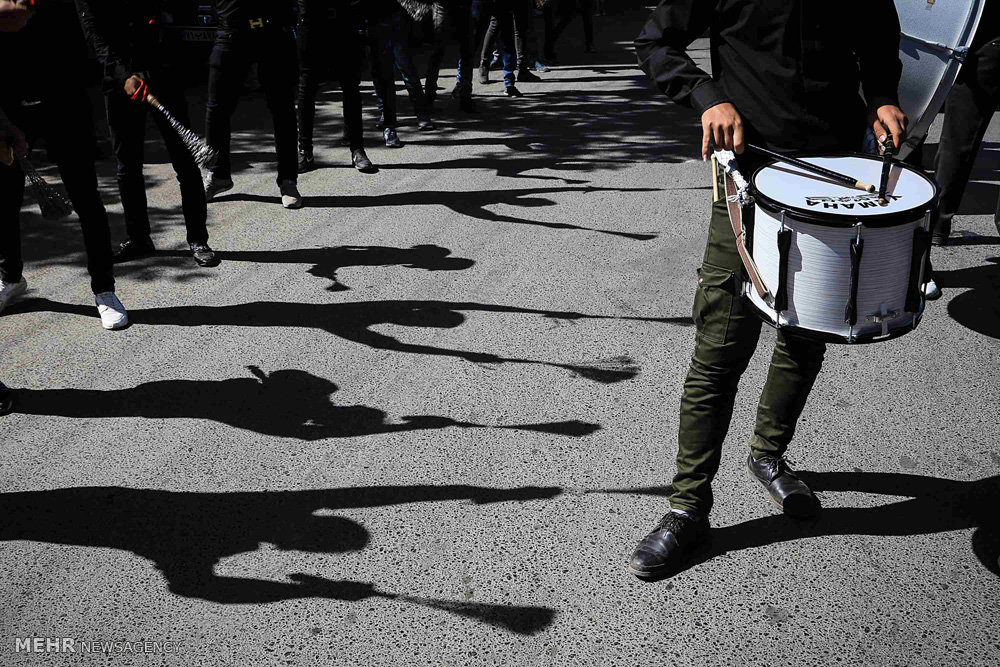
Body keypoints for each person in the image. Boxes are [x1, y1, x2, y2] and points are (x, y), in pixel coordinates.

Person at [628, 0, 908, 579]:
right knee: (720, 348)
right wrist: (708, 97)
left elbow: (880, 45)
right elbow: (655, 42)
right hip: (749, 180)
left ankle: (768, 454)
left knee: (806, 334)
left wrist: (882, 97)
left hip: (834, 178)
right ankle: (688, 508)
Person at [0, 0, 127, 330]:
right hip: (10, 103)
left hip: (65, 100)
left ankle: (105, 290)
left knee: (87, 199)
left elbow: (86, 37)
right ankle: (10, 278)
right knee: (4, 199)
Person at [75, 0, 219, 268]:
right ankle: (139, 238)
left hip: (163, 73)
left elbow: (173, 15)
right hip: (119, 83)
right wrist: (124, 76)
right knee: (127, 167)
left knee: (185, 163)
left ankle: (198, 239)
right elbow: (95, 36)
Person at [920, 4, 999, 300]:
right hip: (982, 32)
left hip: (977, 30)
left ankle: (935, 229)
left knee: (958, 142)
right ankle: (932, 232)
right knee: (958, 143)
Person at [202, 0, 303, 209]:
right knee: (216, 109)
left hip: (273, 31)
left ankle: (288, 180)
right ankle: (219, 175)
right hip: (231, 30)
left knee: (282, 109)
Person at [296, 0, 374, 173]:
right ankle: (305, 151)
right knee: (306, 89)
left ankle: (357, 149)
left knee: (351, 87)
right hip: (311, 24)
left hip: (344, 22)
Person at [367, 0, 434, 147]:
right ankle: (393, 116)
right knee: (384, 72)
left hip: (391, 16)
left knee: (402, 67)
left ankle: (419, 114)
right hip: (374, 17)